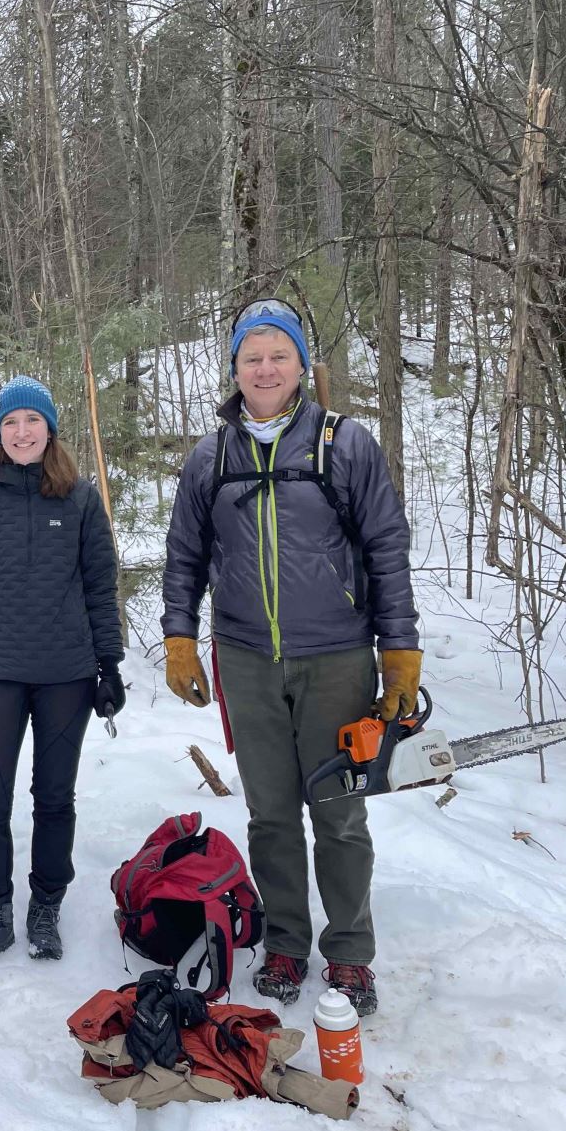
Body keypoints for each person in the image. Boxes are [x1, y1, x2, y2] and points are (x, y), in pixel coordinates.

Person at [160, 296, 421, 1016]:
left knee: (338, 815)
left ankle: (350, 954)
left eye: (279, 354)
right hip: (244, 659)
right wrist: (180, 636)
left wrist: (399, 649)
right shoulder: (211, 459)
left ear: (302, 364)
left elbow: (386, 551)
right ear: (235, 369)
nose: (266, 368)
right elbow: (184, 557)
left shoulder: (345, 444)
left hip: (336, 658)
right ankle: (284, 943)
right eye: (252, 356)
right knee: (270, 813)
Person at [0, 376, 124, 972]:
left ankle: (46, 905)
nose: (22, 432)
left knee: (54, 797)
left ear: (50, 429)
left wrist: (110, 664)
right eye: (10, 423)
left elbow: (100, 586)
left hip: (65, 673)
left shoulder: (81, 500)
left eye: (32, 421)